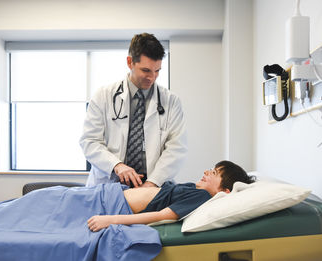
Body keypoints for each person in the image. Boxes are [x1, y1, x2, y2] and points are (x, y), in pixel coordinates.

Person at [79, 33, 187, 188]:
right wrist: (117, 165)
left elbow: (177, 148)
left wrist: (152, 182)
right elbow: (89, 141)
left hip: (152, 186)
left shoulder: (171, 101)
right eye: (146, 70)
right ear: (130, 62)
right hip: (109, 183)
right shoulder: (103, 96)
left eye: (157, 71)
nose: (152, 77)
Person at [87, 160, 256, 232]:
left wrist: (110, 220)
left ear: (224, 191)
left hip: (112, 205)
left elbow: (160, 216)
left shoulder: (201, 196)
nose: (206, 171)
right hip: (111, 194)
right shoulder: (195, 189)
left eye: (213, 173)